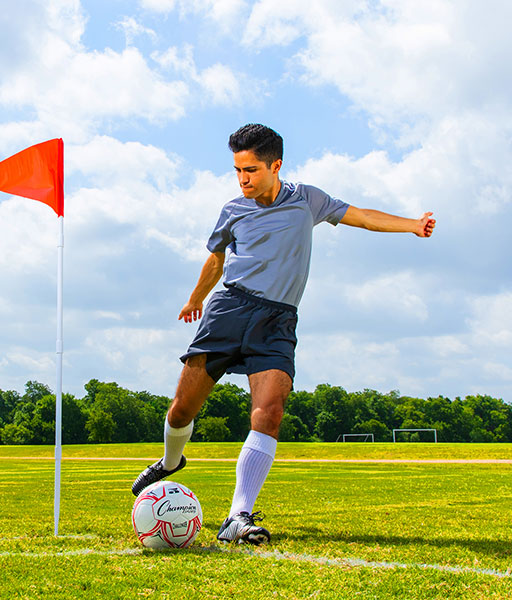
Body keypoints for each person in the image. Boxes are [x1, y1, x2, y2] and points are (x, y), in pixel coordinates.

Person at [131, 124, 436, 545]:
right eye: (238, 170)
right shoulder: (233, 209)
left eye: (252, 170)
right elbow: (216, 261)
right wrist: (195, 298)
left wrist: (412, 225)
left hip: (278, 320)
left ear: (276, 165)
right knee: (182, 410)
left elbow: (362, 216)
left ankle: (238, 516)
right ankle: (170, 461)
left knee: (269, 413)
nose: (243, 180)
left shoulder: (307, 201)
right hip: (230, 308)